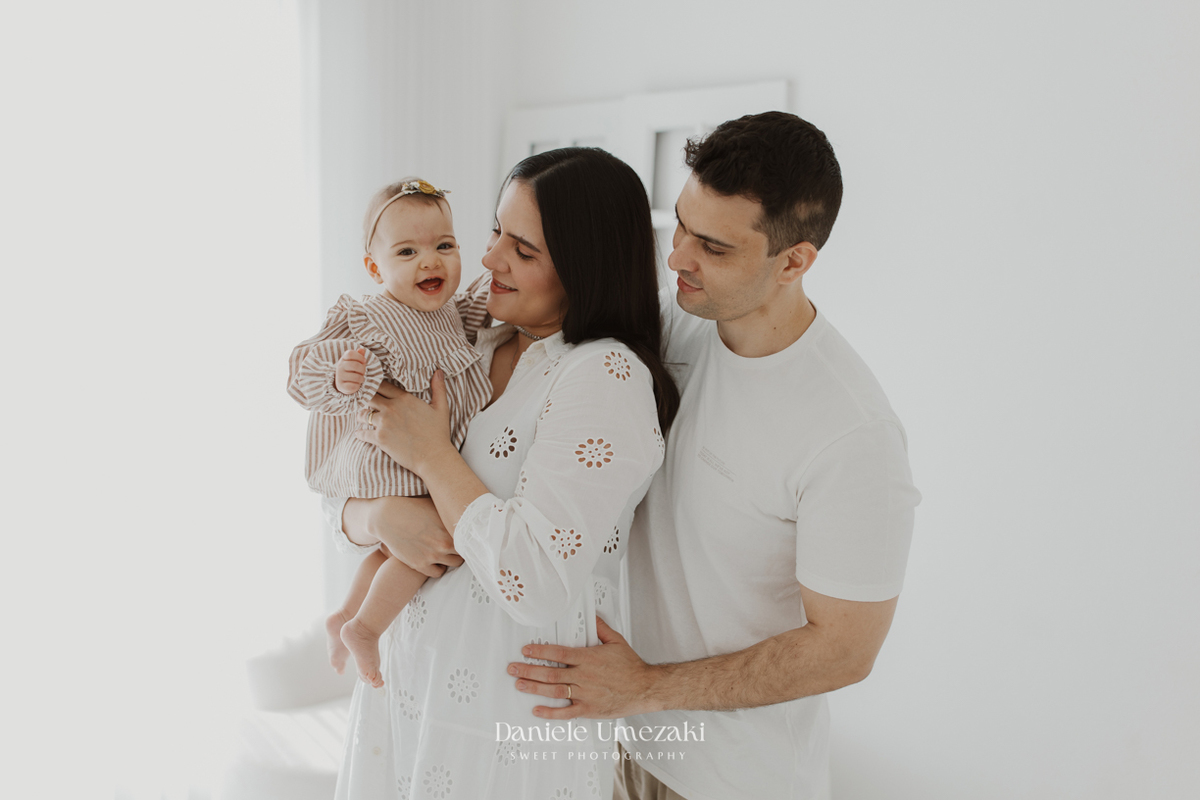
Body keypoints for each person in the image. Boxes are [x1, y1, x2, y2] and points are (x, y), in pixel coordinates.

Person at [507, 111, 921, 799]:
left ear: (794, 261)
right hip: (610, 743)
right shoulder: (672, 326)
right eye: (681, 226)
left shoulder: (852, 434)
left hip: (731, 779)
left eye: (714, 247)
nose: (677, 259)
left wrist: (645, 689)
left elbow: (845, 649)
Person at [323, 147, 681, 799]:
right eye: (494, 231)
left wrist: (432, 456)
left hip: (506, 723)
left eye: (523, 249)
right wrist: (372, 517)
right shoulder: (466, 341)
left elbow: (533, 581)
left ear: (584, 265)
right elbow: (349, 469)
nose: (488, 260)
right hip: (407, 692)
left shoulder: (602, 375)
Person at [287, 178, 492, 688]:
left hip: (419, 459)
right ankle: (366, 627)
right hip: (388, 457)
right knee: (437, 544)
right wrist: (339, 375)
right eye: (408, 251)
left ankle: (346, 616)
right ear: (375, 268)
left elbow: (486, 304)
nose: (431, 261)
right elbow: (301, 371)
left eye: (445, 246)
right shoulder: (366, 317)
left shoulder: (451, 315)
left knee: (395, 549)